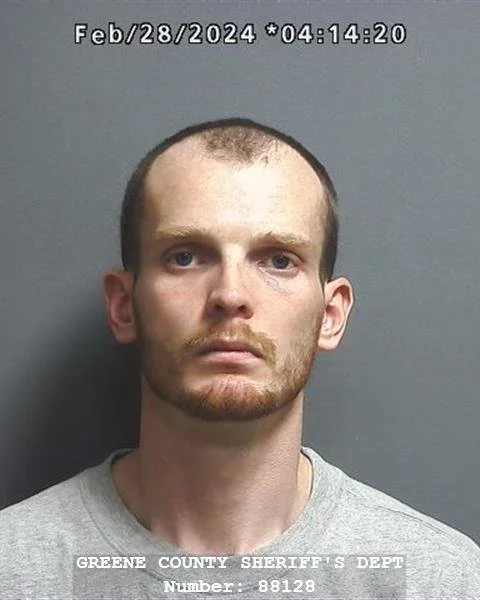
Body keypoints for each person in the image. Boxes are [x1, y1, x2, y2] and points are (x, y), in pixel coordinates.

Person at [0, 117, 478, 600]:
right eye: (186, 257)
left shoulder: (441, 581)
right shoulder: (13, 570)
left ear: (330, 315)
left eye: (279, 260)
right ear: (124, 306)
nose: (230, 296)